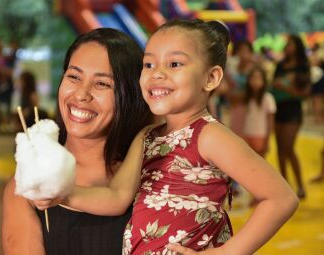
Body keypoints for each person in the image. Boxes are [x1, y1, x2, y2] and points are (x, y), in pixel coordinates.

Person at [37, 19, 299, 254]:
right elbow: (117, 197)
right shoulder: (147, 137)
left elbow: (281, 198)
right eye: (148, 64)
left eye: (174, 64)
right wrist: (62, 194)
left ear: (211, 78)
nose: (157, 73)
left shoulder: (209, 136)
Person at [2, 28, 153, 255]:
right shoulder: (28, 185)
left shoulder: (151, 177)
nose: (81, 94)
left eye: (102, 84)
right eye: (74, 77)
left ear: (129, 95)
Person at [271, 35, 311, 199]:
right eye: (287, 44)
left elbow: (305, 93)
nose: (288, 47)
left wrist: (287, 89)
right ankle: (285, 186)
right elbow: (272, 85)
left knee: (288, 148)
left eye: (292, 45)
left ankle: (300, 185)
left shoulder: (303, 67)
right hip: (277, 108)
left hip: (293, 109)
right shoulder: (280, 65)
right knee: (280, 149)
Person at [242, 67, 276, 157]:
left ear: (264, 81)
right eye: (253, 78)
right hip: (247, 134)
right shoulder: (247, 98)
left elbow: (270, 121)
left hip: (261, 136)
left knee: (260, 162)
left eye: (258, 78)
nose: (255, 82)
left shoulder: (268, 98)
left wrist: (268, 140)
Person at [0, 37, 14, 130]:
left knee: (8, 103)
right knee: (2, 104)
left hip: (7, 82)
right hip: (1, 82)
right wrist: (7, 72)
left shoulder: (3, 55)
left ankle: (6, 122)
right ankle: (3, 122)